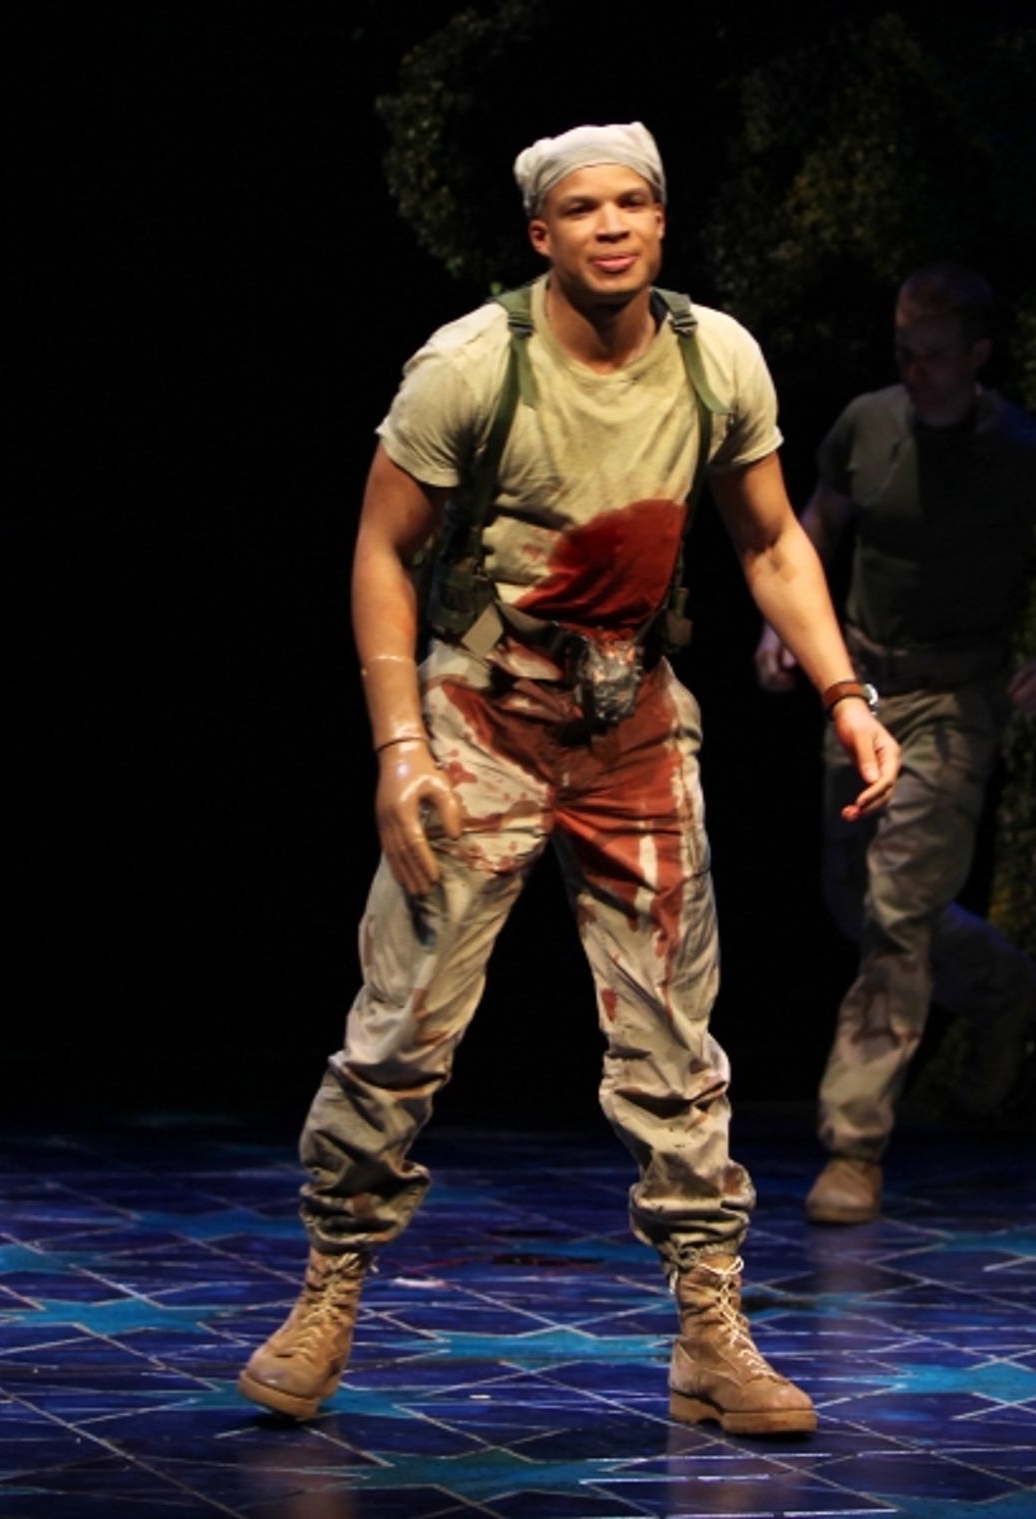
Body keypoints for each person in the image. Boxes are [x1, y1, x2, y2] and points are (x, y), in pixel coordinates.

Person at [237, 123, 899, 1434]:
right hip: (479, 716)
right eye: (584, 208)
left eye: (635, 203)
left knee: (674, 1044)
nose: (612, 226)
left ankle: (712, 1326)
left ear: (661, 222)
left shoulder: (716, 359)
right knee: (404, 1025)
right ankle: (327, 1286)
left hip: (634, 724)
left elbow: (769, 541)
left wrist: (846, 694)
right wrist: (399, 744)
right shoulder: (475, 365)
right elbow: (382, 549)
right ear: (542, 233)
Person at [755, 262, 1036, 1226]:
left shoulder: (1016, 445)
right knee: (855, 902)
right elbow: (814, 524)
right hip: (860, 686)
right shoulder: (867, 423)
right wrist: (786, 628)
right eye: (904, 351)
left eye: (936, 355)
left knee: (898, 912)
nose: (918, 369)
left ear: (976, 355)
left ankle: (853, 1146)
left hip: (956, 698)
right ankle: (1006, 985)